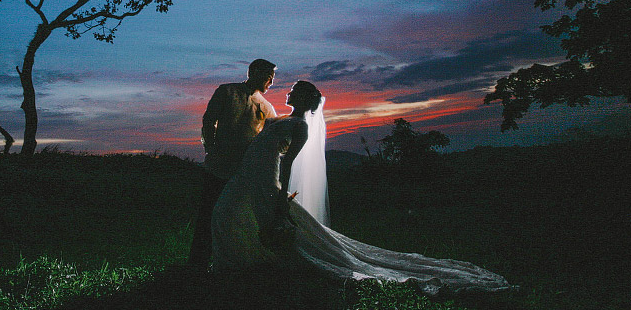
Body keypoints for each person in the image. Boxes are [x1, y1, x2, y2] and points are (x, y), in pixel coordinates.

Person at [210, 80, 511, 296]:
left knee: (230, 215)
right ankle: (238, 267)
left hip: (265, 180)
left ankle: (242, 271)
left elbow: (288, 163)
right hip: (246, 176)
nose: (287, 91)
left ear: (302, 98)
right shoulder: (281, 119)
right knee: (226, 214)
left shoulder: (299, 126)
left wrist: (280, 195)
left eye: (294, 90)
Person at [188, 59, 278, 267]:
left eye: (273, 78)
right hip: (217, 166)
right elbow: (208, 121)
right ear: (253, 71)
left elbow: (270, 137)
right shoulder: (226, 91)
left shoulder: (267, 106)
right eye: (268, 77)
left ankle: (230, 262)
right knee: (208, 215)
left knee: (235, 217)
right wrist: (210, 148)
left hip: (244, 170)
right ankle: (197, 264)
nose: (271, 83)